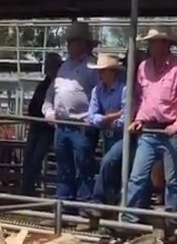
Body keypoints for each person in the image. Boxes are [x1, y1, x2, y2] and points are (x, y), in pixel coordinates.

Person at [126, 29, 177, 221]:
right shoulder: (143, 67)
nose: (152, 46)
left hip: (171, 131)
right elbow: (142, 99)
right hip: (148, 129)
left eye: (156, 42)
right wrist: (138, 119)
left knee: (173, 181)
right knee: (137, 177)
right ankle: (129, 220)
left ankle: (171, 224)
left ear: (166, 44)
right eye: (151, 42)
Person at [43, 22, 100, 202]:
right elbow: (52, 92)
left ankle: (84, 208)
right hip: (62, 124)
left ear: (84, 43)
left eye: (73, 41)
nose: (70, 45)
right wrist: (48, 111)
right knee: (64, 168)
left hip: (82, 125)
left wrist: (92, 117)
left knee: (83, 167)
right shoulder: (64, 66)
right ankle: (64, 207)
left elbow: (100, 93)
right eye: (70, 42)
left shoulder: (93, 67)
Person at [87, 53, 128, 209]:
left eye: (103, 70)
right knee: (112, 168)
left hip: (122, 136)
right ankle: (110, 207)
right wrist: (113, 116)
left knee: (108, 162)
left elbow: (124, 119)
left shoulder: (124, 90)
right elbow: (92, 118)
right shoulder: (97, 90)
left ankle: (97, 201)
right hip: (109, 136)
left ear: (113, 72)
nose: (100, 74)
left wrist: (104, 119)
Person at [21, 52, 62, 196]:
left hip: (47, 128)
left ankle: (27, 189)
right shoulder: (45, 83)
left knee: (35, 158)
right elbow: (34, 104)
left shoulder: (56, 84)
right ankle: (27, 189)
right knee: (29, 157)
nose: (47, 67)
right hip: (37, 125)